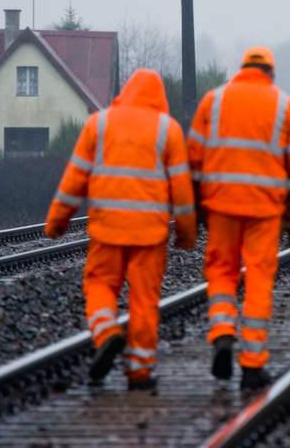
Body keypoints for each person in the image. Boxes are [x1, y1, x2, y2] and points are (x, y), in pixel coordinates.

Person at [44, 69, 197, 391]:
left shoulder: (99, 123)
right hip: (149, 234)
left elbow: (75, 179)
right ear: (160, 98)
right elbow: (182, 190)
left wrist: (57, 221)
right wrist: (186, 233)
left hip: (107, 229)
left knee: (99, 285)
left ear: (126, 91)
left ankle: (107, 332)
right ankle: (139, 372)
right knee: (144, 300)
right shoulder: (167, 129)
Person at [187, 46, 290, 390]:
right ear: (270, 73)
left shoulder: (214, 100)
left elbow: (193, 159)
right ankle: (253, 365)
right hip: (265, 210)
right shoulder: (286, 106)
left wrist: (197, 208)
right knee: (258, 277)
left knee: (222, 271)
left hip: (221, 205)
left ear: (242, 70)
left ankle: (223, 332)